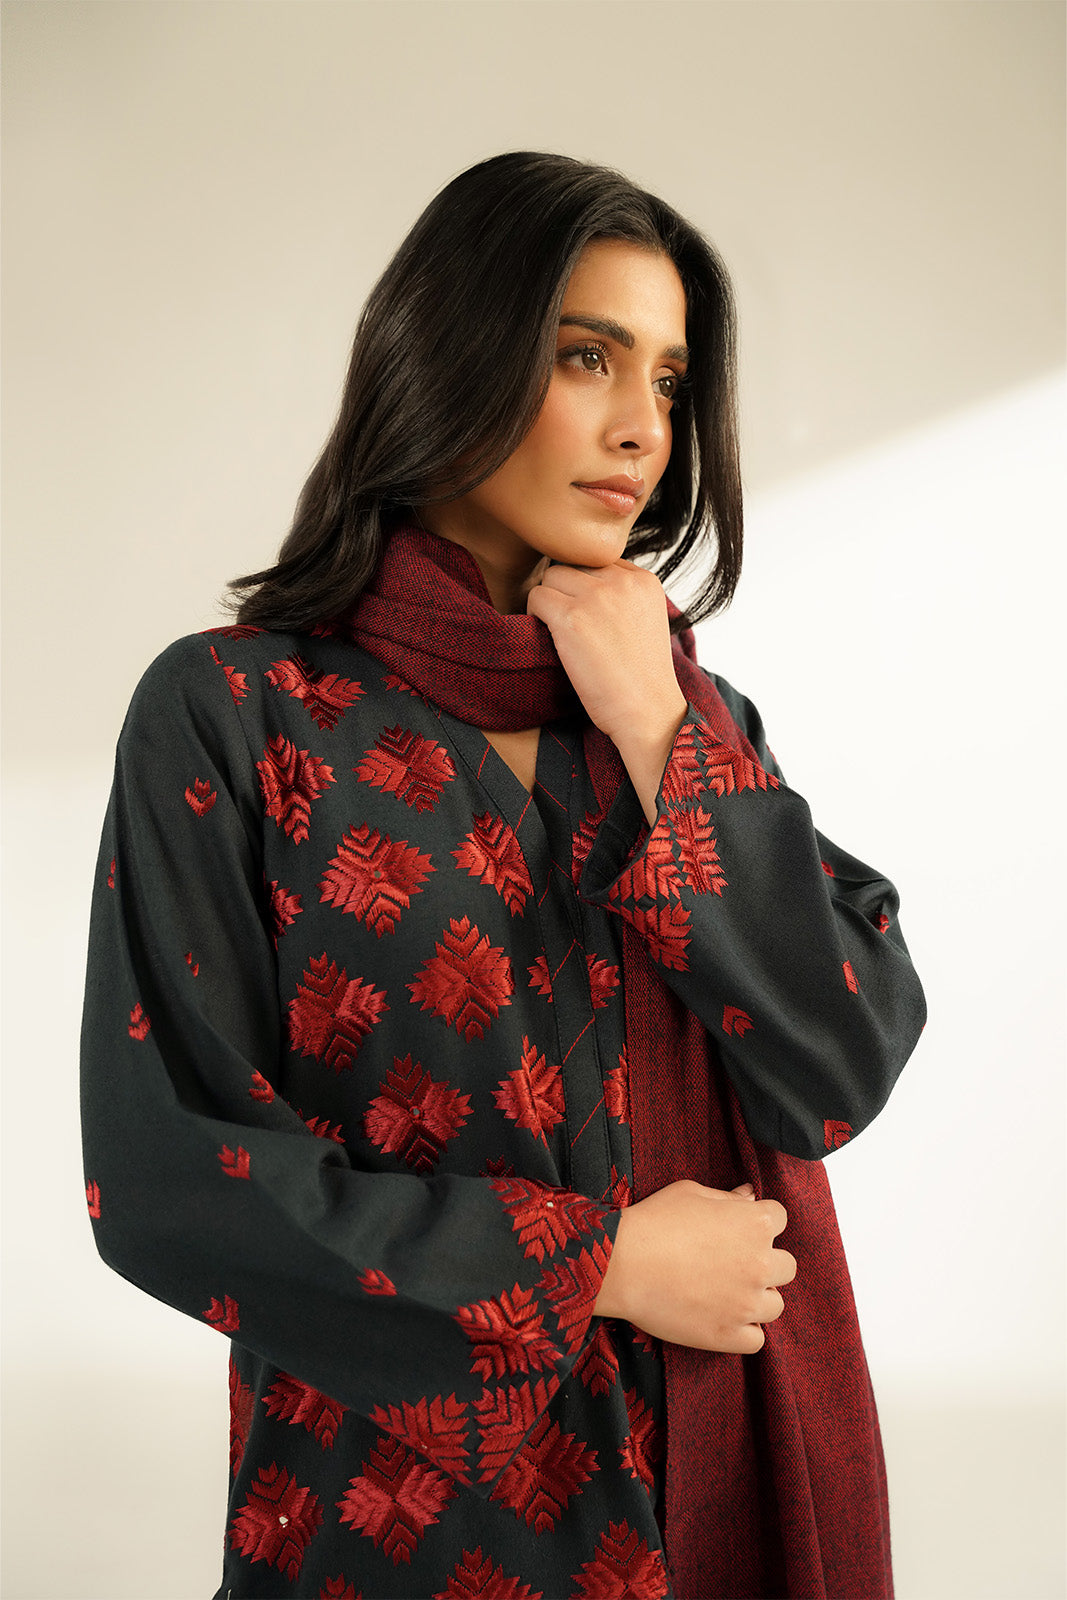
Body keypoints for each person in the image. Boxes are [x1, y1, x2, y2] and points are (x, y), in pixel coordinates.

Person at [80, 151, 926, 1600]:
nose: (642, 427)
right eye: (588, 356)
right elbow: (171, 1177)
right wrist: (600, 1266)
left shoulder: (681, 722)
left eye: (669, 380)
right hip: (399, 1526)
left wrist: (656, 727)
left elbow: (839, 1058)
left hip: (718, 1499)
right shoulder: (239, 714)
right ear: (452, 353)